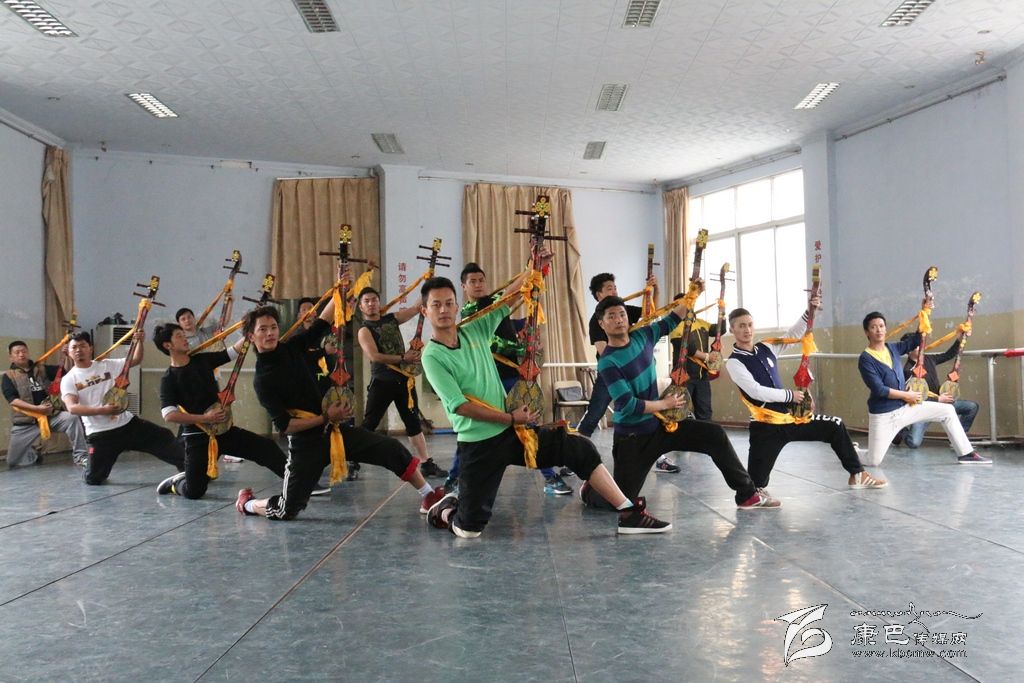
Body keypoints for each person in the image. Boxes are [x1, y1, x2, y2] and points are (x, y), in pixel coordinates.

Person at [420, 260, 673, 537]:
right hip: (479, 443)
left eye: (448, 303)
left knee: (578, 448)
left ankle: (628, 513)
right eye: (436, 305)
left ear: (457, 306)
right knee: (469, 529)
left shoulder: (475, 329)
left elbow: (508, 298)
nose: (443, 310)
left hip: (512, 434)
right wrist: (511, 418)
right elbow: (460, 406)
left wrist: (532, 269)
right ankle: (447, 510)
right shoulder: (432, 356)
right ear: (425, 310)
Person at [233, 294, 444, 521]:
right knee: (287, 509)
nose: (270, 333)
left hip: (334, 432)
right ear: (251, 336)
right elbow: (286, 425)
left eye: (273, 327)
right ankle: (249, 504)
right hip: (306, 444)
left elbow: (322, 322)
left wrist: (340, 289)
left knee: (391, 448)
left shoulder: (291, 348)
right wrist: (326, 417)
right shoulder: (262, 380)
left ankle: (429, 495)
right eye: (263, 329)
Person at [579, 293, 779, 512]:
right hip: (633, 437)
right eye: (611, 316)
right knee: (621, 501)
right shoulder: (608, 361)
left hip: (661, 426)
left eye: (622, 314)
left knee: (715, 435)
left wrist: (692, 294)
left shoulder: (643, 336)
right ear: (602, 323)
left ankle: (747, 495)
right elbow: (628, 405)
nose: (619, 319)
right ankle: (590, 492)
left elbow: (672, 319)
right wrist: (665, 404)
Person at [724, 298, 887, 491]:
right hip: (766, 427)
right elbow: (755, 391)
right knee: (755, 485)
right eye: (741, 326)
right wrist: (790, 396)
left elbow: (792, 335)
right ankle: (754, 491)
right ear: (732, 329)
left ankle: (857, 474)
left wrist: (811, 311)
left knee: (835, 426)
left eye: (750, 324)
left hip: (790, 419)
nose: (747, 330)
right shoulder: (734, 362)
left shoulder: (766, 347)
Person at [444, 263, 572, 495]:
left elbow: (514, 297)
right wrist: (522, 349)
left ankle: (550, 477)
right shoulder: (470, 313)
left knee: (529, 425)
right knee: (474, 435)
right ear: (463, 287)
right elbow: (497, 334)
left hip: (512, 375)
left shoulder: (493, 303)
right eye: (472, 281)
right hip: (488, 380)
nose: (478, 285)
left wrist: (533, 267)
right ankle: (453, 478)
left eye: (481, 280)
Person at [152, 323, 287, 498]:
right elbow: (169, 415)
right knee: (194, 492)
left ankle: (301, 483)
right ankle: (176, 483)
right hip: (197, 438)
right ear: (167, 345)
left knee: (266, 448)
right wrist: (205, 418)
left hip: (224, 431)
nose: (185, 338)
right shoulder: (169, 379)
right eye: (179, 336)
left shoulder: (202, 360)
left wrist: (250, 329)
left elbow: (233, 351)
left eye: (184, 334)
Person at [857, 312, 990, 466]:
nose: (878, 330)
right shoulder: (866, 359)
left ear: (886, 329)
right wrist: (906, 395)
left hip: (905, 408)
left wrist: (925, 311)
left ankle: (966, 453)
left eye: (881, 326)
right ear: (867, 332)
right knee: (873, 461)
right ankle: (853, 450)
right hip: (884, 415)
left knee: (947, 411)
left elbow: (917, 338)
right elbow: (880, 390)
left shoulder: (892, 348)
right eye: (873, 327)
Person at [578, 272, 679, 473]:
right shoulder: (596, 321)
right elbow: (603, 350)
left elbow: (650, 313)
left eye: (615, 287)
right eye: (609, 288)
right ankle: (575, 455)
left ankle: (659, 458)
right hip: (612, 374)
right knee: (594, 414)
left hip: (633, 370)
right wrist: (627, 361)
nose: (615, 291)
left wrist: (654, 289)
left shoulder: (623, 310)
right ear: (598, 295)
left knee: (649, 409)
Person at [60, 331, 186, 485]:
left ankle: (190, 468)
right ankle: (91, 466)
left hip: (128, 425)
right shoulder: (69, 379)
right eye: (74, 347)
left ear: (90, 348)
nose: (79, 350)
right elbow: (72, 408)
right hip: (101, 434)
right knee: (94, 479)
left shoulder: (107, 364)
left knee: (163, 436)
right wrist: (102, 410)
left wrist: (139, 342)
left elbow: (135, 359)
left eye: (82, 346)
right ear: (69, 352)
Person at [355, 286, 446, 478]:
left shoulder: (391, 319)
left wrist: (427, 288)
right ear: (361, 307)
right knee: (370, 423)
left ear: (379, 302)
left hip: (404, 381)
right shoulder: (364, 330)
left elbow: (414, 309)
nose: (371, 304)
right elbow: (374, 356)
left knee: (413, 423)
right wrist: (403, 357)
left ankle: (426, 463)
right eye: (366, 301)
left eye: (374, 300)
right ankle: (352, 460)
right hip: (382, 381)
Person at [3, 340, 87, 468]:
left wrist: (68, 356)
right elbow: (13, 400)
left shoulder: (41, 369)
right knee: (12, 462)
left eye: (24, 351)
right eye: (17, 352)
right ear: (11, 357)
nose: (21, 354)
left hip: (51, 416)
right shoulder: (9, 376)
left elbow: (66, 372)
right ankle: (34, 455)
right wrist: (37, 409)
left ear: (28, 353)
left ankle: (81, 456)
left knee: (72, 417)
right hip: (26, 423)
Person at [895, 331, 979, 448]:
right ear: (908, 350)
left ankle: (958, 439)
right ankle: (900, 432)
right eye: (916, 345)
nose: (920, 347)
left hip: (941, 403)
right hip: (923, 409)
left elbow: (948, 355)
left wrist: (959, 339)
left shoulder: (929, 359)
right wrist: (938, 399)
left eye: (920, 344)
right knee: (913, 443)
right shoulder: (908, 371)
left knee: (971, 407)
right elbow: (915, 398)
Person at [668, 296, 724, 421]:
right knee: (680, 413)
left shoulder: (701, 323)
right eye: (680, 305)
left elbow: (720, 330)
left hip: (702, 376)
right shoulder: (675, 326)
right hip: (683, 377)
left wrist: (722, 313)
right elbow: (687, 347)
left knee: (705, 412)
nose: (685, 307)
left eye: (688, 303)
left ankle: (704, 433)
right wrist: (707, 356)